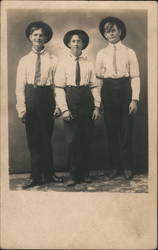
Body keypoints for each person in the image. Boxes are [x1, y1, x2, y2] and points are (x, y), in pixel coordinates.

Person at [16, 21, 63, 189]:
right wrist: (22, 108)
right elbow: (19, 86)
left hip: (46, 97)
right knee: (34, 139)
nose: (38, 37)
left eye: (41, 35)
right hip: (31, 97)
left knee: (46, 137)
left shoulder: (53, 59)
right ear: (30, 37)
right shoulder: (24, 60)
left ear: (46, 38)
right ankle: (35, 176)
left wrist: (58, 105)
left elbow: (57, 84)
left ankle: (49, 173)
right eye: (35, 35)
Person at [96, 16, 140, 180]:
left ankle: (128, 166)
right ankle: (115, 167)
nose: (110, 34)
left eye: (113, 30)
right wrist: (98, 100)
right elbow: (99, 78)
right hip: (107, 90)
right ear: (104, 35)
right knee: (111, 130)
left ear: (120, 31)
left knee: (126, 130)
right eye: (107, 31)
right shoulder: (101, 53)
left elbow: (135, 76)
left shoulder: (129, 52)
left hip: (124, 90)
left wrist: (134, 99)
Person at [54, 29, 101, 186]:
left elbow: (94, 86)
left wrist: (96, 106)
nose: (76, 43)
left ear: (83, 44)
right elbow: (59, 87)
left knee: (86, 138)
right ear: (68, 44)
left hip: (86, 100)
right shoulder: (63, 64)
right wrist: (64, 109)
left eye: (79, 41)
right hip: (71, 99)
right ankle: (73, 174)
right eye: (73, 41)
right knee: (73, 140)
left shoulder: (89, 64)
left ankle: (85, 172)